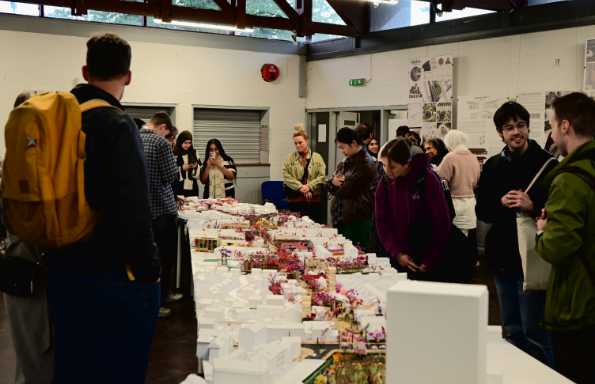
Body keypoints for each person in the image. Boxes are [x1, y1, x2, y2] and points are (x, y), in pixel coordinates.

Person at [47, 33, 160, 383]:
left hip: (61, 263)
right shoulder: (117, 124)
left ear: (85, 70)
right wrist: (150, 270)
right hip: (111, 273)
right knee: (119, 368)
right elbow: (133, 209)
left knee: (73, 365)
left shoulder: (60, 119)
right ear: (128, 76)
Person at [475, 101, 557, 366]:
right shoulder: (492, 166)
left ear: (528, 127)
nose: (516, 132)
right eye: (509, 128)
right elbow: (483, 211)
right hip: (502, 257)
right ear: (501, 133)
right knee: (510, 328)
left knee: (535, 331)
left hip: (533, 256)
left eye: (520, 125)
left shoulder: (547, 164)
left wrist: (533, 206)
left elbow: (557, 212)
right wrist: (499, 203)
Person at [536, 92, 595, 383]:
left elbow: (558, 247)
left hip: (578, 305)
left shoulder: (569, 179)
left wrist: (542, 233)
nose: (550, 131)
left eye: (552, 123)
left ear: (565, 126)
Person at [3, 91, 54, 384]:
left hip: (28, 270)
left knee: (33, 354)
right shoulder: (22, 165)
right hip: (28, 271)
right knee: (36, 354)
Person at [375, 138, 452, 280]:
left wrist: (430, 258)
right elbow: (381, 222)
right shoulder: (385, 182)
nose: (388, 171)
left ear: (407, 164)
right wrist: (396, 253)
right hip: (397, 257)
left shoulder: (428, 179)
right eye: (384, 166)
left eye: (393, 167)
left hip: (427, 257)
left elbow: (442, 222)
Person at [140, 112, 180, 319]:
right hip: (163, 210)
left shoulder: (134, 137)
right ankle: (162, 300)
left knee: (149, 259)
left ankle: (153, 301)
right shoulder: (160, 143)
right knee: (165, 258)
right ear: (163, 127)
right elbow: (171, 176)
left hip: (143, 211)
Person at [327, 128, 379, 250]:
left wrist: (335, 184)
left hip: (358, 220)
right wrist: (333, 183)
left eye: (343, 147)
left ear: (354, 143)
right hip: (343, 218)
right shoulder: (347, 161)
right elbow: (331, 183)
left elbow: (346, 190)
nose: (342, 151)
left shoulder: (366, 164)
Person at [438, 130, 481, 236]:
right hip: (471, 203)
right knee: (467, 238)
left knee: (453, 238)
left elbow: (440, 180)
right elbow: (476, 182)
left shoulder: (450, 157)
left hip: (454, 203)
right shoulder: (473, 157)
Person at [282, 127, 326, 222]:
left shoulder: (317, 157)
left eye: (300, 142)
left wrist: (309, 186)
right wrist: (301, 187)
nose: (298, 145)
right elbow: (286, 176)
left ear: (306, 141)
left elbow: (322, 177)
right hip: (295, 201)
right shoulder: (290, 158)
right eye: (295, 143)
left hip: (313, 202)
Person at [174, 130, 201, 197]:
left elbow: (200, 168)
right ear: (180, 142)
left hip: (192, 187)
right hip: (179, 187)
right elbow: (170, 170)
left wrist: (196, 167)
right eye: (185, 143)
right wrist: (181, 168)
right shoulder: (174, 153)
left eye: (189, 143)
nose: (187, 145)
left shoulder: (194, 153)